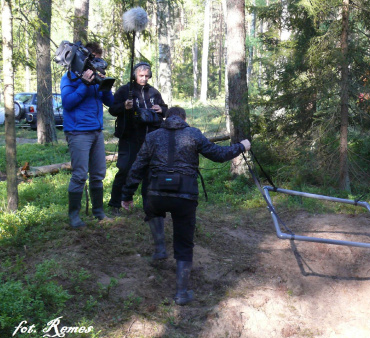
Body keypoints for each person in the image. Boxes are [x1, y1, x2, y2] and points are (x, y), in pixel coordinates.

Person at [121, 107, 250, 305]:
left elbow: (138, 166)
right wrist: (242, 146)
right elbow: (218, 154)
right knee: (184, 243)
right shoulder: (193, 134)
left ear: (167, 118)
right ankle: (181, 293)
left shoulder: (153, 136)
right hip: (185, 196)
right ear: (184, 118)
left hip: (156, 193)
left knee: (153, 210)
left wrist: (127, 194)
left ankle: (160, 249)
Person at [61, 42, 114, 228]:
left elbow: (110, 102)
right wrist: (84, 84)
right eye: (93, 58)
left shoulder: (96, 78)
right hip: (78, 132)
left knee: (98, 173)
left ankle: (99, 212)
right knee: (79, 175)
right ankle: (74, 216)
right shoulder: (69, 78)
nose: (96, 62)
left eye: (98, 59)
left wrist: (104, 84)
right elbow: (67, 103)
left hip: (96, 132)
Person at [108, 62, 168, 222]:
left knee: (149, 171)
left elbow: (165, 108)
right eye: (141, 75)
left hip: (150, 138)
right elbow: (112, 109)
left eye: (147, 76)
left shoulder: (153, 92)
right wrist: (124, 106)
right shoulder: (124, 90)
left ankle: (149, 206)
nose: (144, 78)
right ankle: (115, 204)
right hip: (129, 137)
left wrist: (161, 109)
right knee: (125, 169)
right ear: (135, 75)